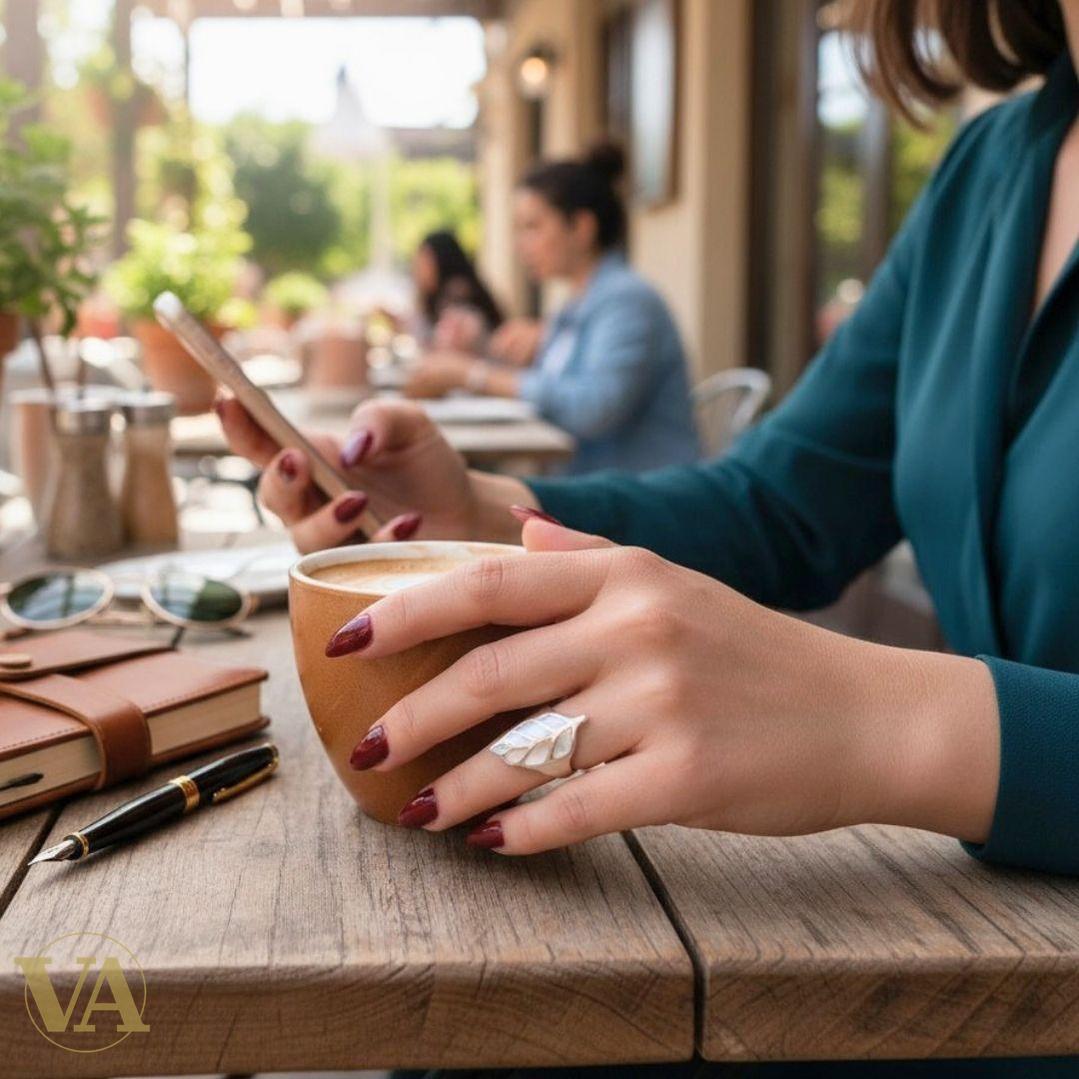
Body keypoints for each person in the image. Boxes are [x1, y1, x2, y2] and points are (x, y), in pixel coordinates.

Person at [219, 1, 1078, 1073]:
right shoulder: (993, 166)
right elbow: (781, 507)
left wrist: (887, 718)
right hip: (936, 952)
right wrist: (489, 525)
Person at [404, 143, 702, 474]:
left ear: (582, 228)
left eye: (533, 227)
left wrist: (473, 374)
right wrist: (481, 352)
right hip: (589, 486)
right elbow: (548, 391)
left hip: (637, 496)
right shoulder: (578, 303)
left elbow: (594, 408)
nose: (521, 245)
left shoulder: (627, 301)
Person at [410, 229, 504, 348]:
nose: (417, 271)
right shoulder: (438, 298)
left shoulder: (459, 297)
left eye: (424, 263)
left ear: (441, 262)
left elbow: (439, 349)